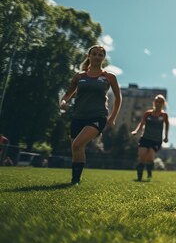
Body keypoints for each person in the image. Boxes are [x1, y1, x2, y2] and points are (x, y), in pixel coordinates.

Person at [59, 45, 121, 184]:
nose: (97, 57)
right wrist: (63, 102)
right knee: (77, 148)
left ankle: (75, 181)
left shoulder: (109, 77)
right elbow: (67, 95)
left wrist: (112, 117)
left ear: (103, 58)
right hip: (78, 115)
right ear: (89, 56)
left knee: (77, 144)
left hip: (98, 116)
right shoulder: (79, 76)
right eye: (94, 54)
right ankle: (75, 180)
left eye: (100, 55)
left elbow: (118, 98)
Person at [131, 95, 169, 181]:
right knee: (142, 157)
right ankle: (139, 177)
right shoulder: (148, 113)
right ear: (154, 102)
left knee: (150, 158)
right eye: (157, 101)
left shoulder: (164, 115)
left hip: (156, 140)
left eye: (160, 102)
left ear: (163, 104)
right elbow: (142, 123)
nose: (158, 103)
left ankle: (149, 171)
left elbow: (167, 126)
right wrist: (136, 131)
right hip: (145, 138)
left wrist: (166, 137)